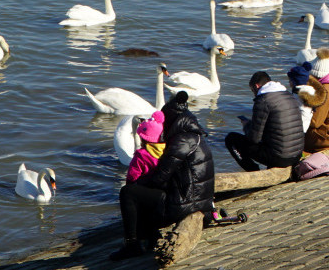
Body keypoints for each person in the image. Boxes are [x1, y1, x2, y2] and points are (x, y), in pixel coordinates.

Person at [111, 91, 214, 261]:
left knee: (128, 192)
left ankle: (132, 244)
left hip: (187, 202)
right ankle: (148, 236)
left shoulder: (180, 142)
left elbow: (160, 178)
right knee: (145, 192)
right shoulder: (193, 135)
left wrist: (138, 185)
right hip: (200, 198)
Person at [225, 71, 304, 172]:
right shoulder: (288, 95)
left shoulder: (263, 100)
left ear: (257, 86)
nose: (253, 94)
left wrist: (246, 125)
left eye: (252, 90)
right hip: (296, 155)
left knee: (231, 139)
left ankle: (253, 171)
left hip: (281, 158)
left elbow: (253, 139)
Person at [125, 111, 166, 184]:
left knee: (125, 191)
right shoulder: (167, 150)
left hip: (145, 187)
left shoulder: (140, 155)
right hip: (161, 187)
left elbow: (132, 176)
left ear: (142, 138)